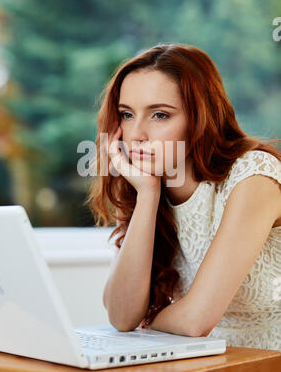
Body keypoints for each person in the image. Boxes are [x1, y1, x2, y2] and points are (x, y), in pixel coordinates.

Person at [85, 43, 281, 350]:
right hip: (209, 368)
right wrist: (147, 195)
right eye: (126, 114)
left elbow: (195, 321)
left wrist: (148, 323)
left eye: (159, 115)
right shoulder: (152, 185)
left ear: (200, 117)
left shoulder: (254, 175)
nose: (136, 134)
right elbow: (122, 316)